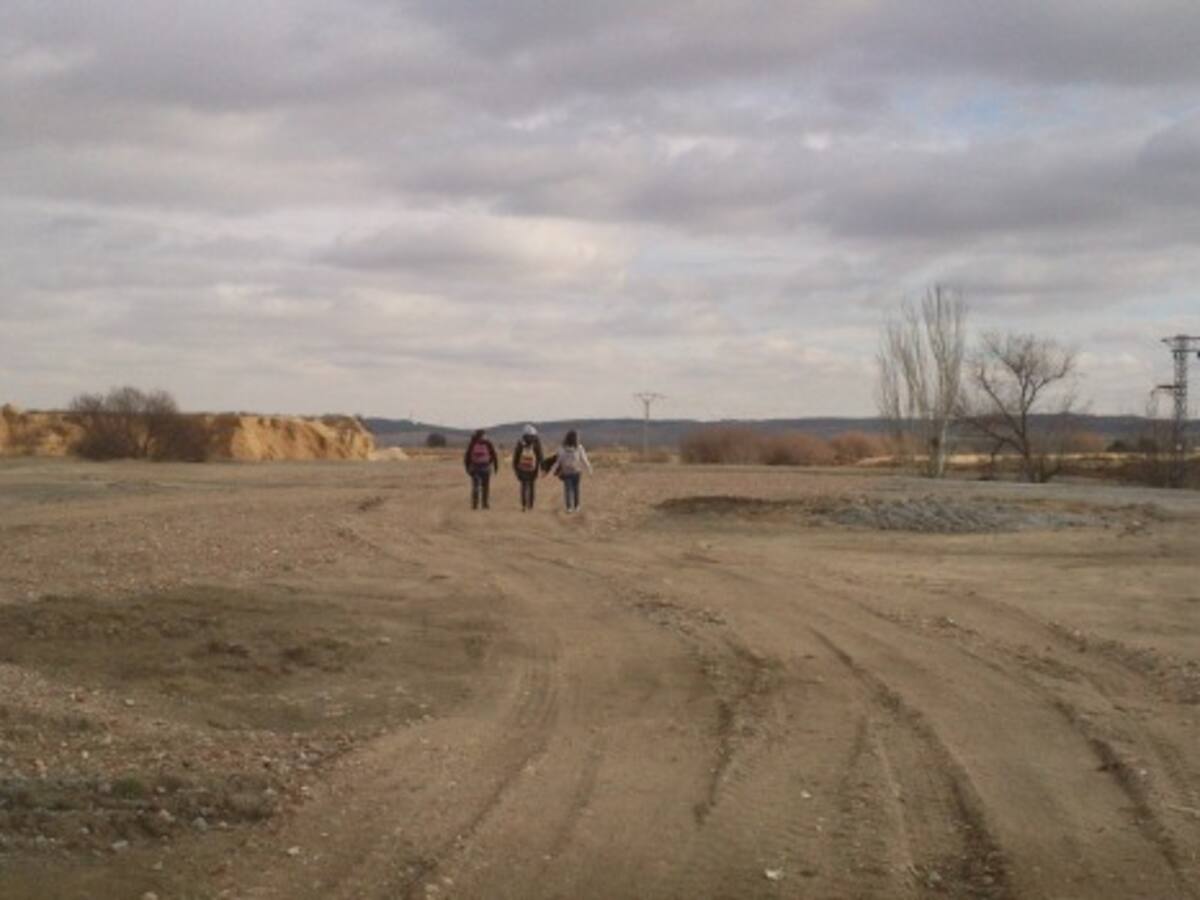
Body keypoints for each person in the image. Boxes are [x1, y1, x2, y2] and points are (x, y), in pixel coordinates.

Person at [550, 429, 593, 513]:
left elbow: (558, 461)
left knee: (567, 490)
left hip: (566, 472)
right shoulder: (579, 447)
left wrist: (553, 470)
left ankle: (569, 508)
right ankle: (577, 507)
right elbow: (584, 459)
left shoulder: (561, 448)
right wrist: (589, 469)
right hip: (576, 471)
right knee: (576, 489)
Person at [463, 429, 499, 510]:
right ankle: (485, 504)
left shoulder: (472, 443)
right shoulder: (488, 443)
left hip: (475, 468)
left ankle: (475, 504)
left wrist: (467, 468)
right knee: (485, 487)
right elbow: (494, 455)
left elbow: (467, 456)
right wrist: (496, 466)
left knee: (475, 486)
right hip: (486, 467)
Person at [511, 424, 544, 511]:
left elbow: (516, 456)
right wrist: (542, 467)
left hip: (522, 468)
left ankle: (524, 505)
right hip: (533, 468)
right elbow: (540, 456)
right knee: (532, 486)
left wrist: (515, 468)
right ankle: (531, 505)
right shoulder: (536, 442)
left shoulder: (520, 442)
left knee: (524, 486)